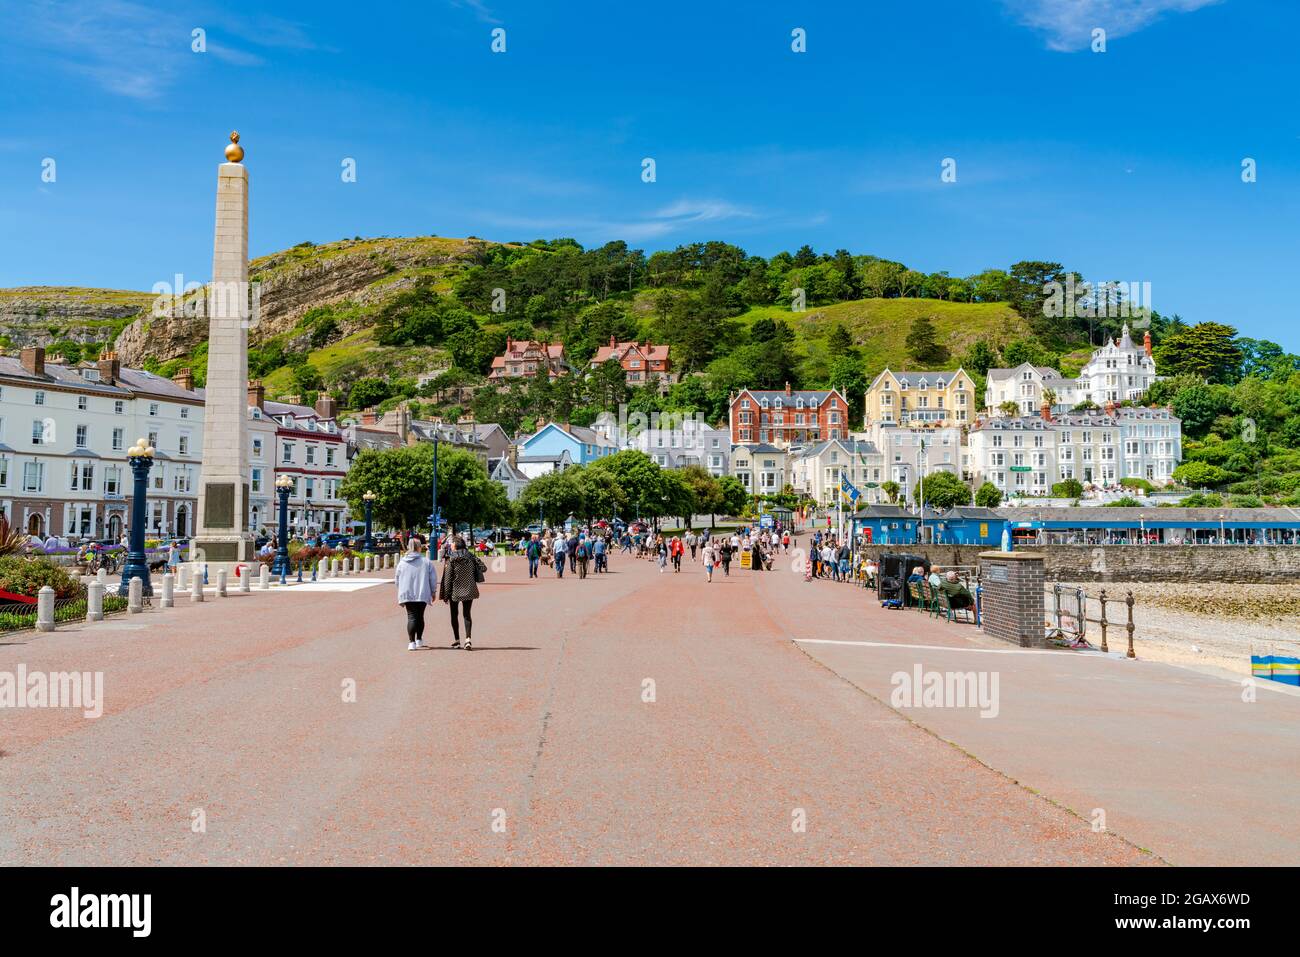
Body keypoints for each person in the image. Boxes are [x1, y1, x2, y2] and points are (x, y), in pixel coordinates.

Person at [440, 536, 485, 650]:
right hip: (469, 589)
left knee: (454, 615)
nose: (451, 545)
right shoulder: (470, 556)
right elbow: (483, 568)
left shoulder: (451, 559)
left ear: (456, 545)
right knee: (467, 614)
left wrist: (446, 595)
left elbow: (448, 578)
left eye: (452, 544)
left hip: (454, 591)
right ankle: (468, 639)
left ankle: (457, 640)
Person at [394, 536, 438, 651]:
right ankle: (419, 639)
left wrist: (401, 589)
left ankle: (411, 642)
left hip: (407, 593)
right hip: (422, 592)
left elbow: (397, 579)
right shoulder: (426, 562)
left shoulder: (402, 562)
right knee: (420, 616)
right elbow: (433, 579)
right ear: (419, 547)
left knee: (411, 617)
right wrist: (433, 592)